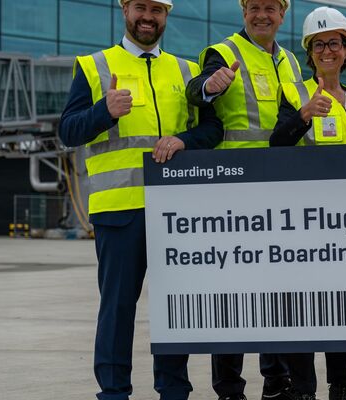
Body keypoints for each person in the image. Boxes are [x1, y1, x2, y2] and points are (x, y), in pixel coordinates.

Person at [59, 0, 223, 399]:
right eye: (140, 8)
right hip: (119, 212)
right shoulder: (93, 66)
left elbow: (213, 129)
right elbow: (67, 130)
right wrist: (104, 111)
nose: (148, 17)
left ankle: (173, 390)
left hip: (176, 213)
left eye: (157, 9)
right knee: (117, 310)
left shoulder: (185, 71)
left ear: (166, 15)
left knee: (175, 308)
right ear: (125, 10)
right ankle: (114, 392)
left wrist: (184, 140)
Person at [184, 0, 301, 399]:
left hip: (279, 190)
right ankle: (229, 388)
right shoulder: (224, 52)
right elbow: (196, 92)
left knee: (276, 291)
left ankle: (276, 381)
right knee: (230, 295)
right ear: (244, 12)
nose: (262, 15)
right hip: (231, 194)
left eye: (271, 7)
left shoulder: (290, 62)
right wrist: (208, 87)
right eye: (254, 7)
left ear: (283, 14)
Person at [269, 6, 346, 399]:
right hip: (303, 223)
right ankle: (304, 386)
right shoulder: (294, 93)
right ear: (309, 53)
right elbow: (276, 145)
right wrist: (303, 116)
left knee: (341, 306)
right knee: (301, 305)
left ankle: (341, 382)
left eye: (335, 43)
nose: (328, 51)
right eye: (319, 45)